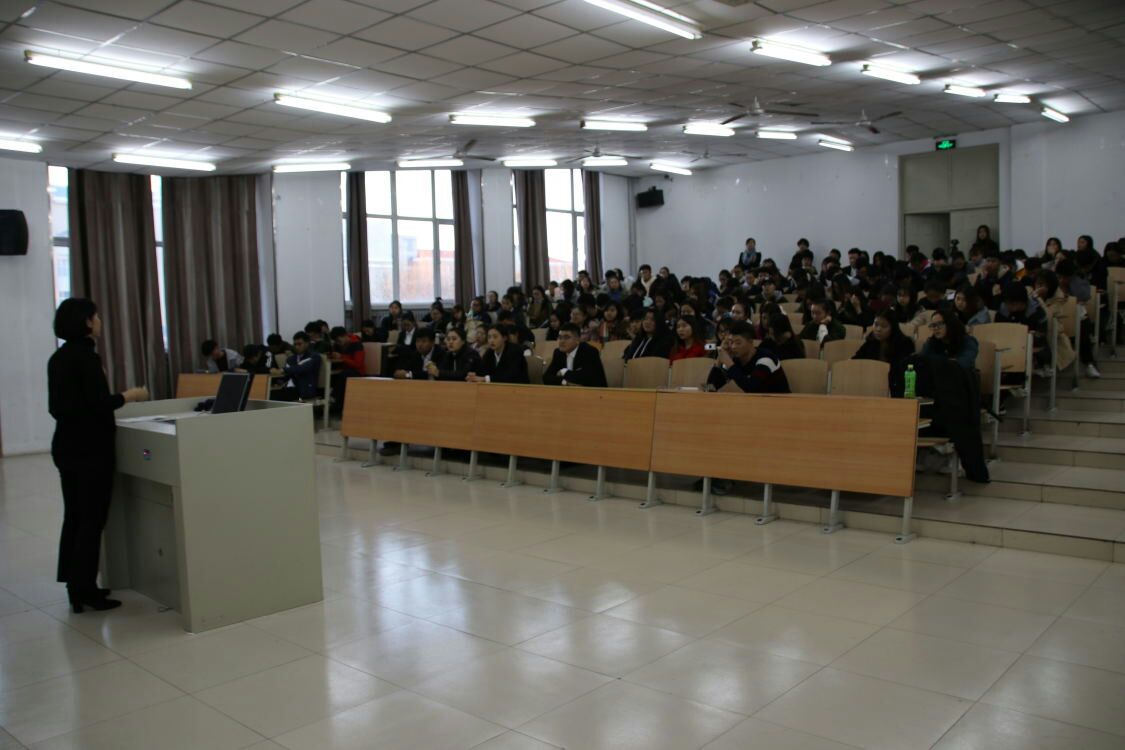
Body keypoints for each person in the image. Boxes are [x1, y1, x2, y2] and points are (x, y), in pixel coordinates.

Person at [48, 299, 149, 613]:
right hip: (90, 450)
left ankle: (74, 585)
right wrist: (130, 395)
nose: (100, 320)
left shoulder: (58, 358)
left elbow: (58, 407)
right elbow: (98, 405)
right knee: (92, 521)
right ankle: (85, 589)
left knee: (74, 516)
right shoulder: (86, 358)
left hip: (66, 446)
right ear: (87, 322)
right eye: (96, 316)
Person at [708, 320, 790, 393]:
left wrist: (728, 362)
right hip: (753, 403)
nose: (733, 347)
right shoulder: (735, 359)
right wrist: (719, 359)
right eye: (731, 342)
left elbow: (751, 388)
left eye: (738, 343)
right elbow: (711, 387)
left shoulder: (766, 359)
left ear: (750, 342)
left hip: (780, 402)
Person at [543, 323, 607, 387]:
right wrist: (564, 382)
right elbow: (546, 377)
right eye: (560, 337)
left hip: (594, 391)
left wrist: (564, 372)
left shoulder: (589, 352)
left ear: (578, 340)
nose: (562, 341)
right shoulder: (558, 353)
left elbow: (588, 379)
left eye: (566, 337)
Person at [282, 331, 322, 401]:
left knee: (281, 397)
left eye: (299, 344)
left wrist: (282, 370)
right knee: (273, 394)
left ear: (307, 343)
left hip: (305, 390)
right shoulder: (291, 359)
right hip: (291, 389)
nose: (297, 347)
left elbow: (300, 368)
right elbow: (287, 373)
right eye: (295, 344)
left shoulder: (314, 356)